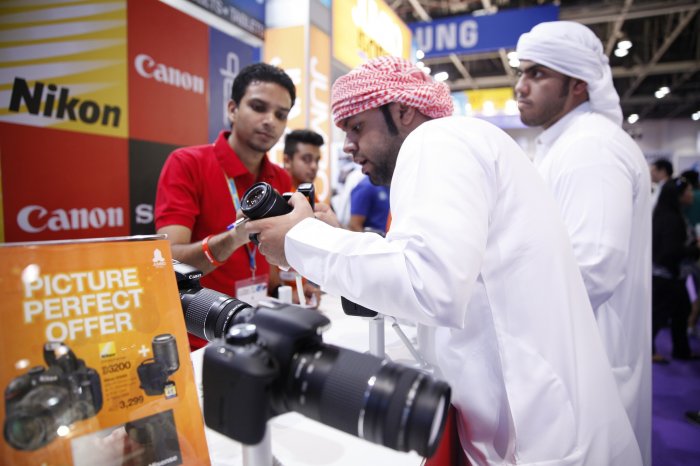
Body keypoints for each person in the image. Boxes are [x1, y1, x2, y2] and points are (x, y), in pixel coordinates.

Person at [247, 56, 641, 465]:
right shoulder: (459, 142)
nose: (348, 145)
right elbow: (442, 269)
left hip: (540, 433)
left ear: (403, 111)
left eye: (357, 127)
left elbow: (429, 285)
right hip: (539, 415)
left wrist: (301, 240)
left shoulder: (435, 141)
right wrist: (333, 240)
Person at [515, 21, 651, 464]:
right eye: (522, 72)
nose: (520, 86)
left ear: (577, 85)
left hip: (587, 372)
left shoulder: (590, 148)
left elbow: (593, 269)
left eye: (537, 74)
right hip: (569, 365)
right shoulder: (569, 143)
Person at [154, 62, 295, 349]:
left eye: (281, 115)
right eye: (258, 107)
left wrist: (287, 287)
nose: (270, 121)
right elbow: (167, 262)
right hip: (199, 339)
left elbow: (273, 260)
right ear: (232, 109)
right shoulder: (187, 164)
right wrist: (233, 238)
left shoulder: (279, 177)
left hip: (256, 329)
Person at [652, 177, 699, 362]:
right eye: (688, 191)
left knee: (681, 311)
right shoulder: (671, 218)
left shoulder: (668, 214)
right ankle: (649, 351)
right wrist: (695, 249)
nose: (691, 194)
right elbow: (671, 251)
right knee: (660, 315)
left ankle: (682, 350)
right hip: (667, 274)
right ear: (678, 195)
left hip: (670, 274)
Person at [280, 128, 324, 306]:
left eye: (317, 160)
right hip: (272, 295)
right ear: (287, 160)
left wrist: (303, 286)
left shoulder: (310, 195)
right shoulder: (277, 194)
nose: (314, 166)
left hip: (297, 288)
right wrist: (283, 290)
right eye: (306, 159)